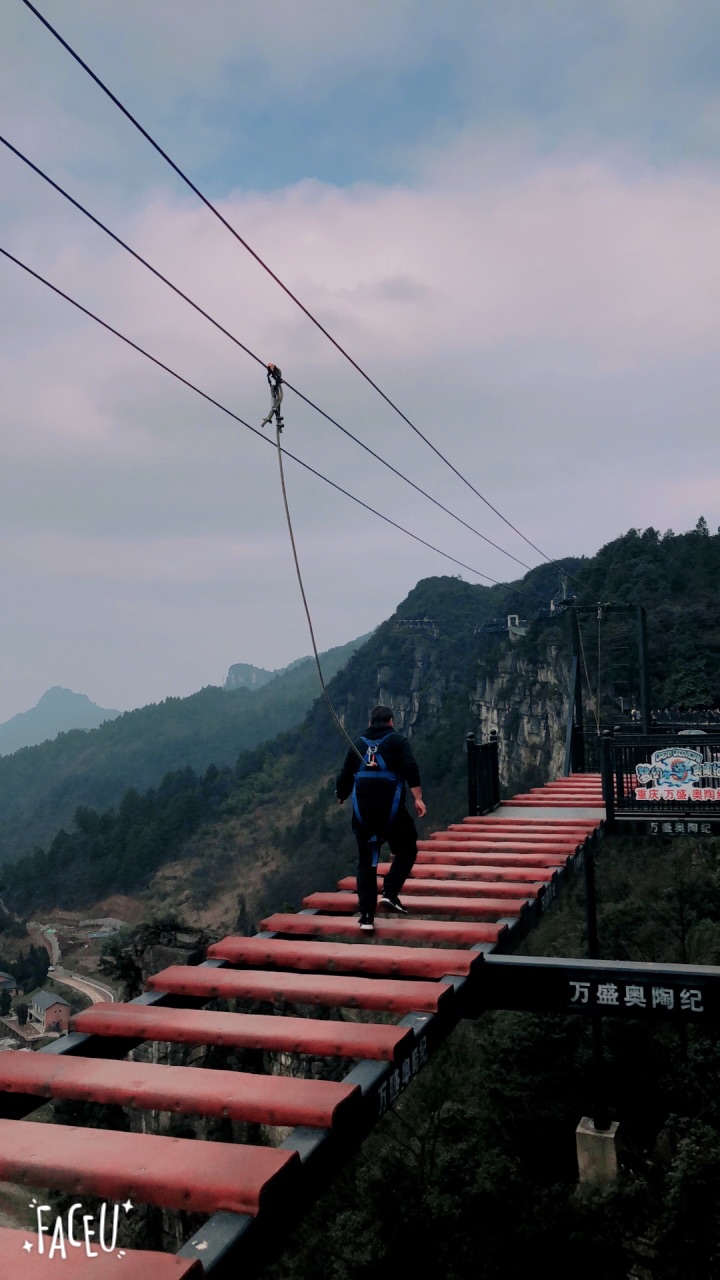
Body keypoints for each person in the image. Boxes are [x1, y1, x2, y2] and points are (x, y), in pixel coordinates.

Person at [336, 705, 426, 932]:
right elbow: (410, 767)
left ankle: (366, 916)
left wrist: (341, 795)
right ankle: (390, 892)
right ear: (391, 722)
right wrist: (418, 798)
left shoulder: (357, 744)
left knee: (366, 862)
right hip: (392, 812)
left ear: (370, 723)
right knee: (407, 849)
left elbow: (345, 774)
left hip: (363, 814)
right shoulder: (397, 741)